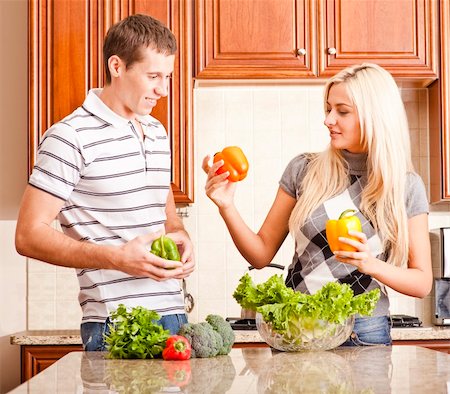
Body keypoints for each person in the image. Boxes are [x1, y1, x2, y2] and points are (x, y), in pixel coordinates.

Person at [202, 63, 432, 346]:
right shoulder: (304, 169)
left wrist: (369, 264)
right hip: (297, 326)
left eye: (342, 111)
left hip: (364, 330)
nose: (328, 120)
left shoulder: (406, 186)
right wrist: (226, 206)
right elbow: (260, 254)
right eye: (328, 109)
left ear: (376, 117)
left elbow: (422, 282)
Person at [15, 14, 195, 350]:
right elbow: (27, 235)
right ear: (117, 66)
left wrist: (181, 236)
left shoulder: (157, 131)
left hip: (175, 317)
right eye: (153, 76)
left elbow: (165, 215)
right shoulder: (70, 137)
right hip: (116, 324)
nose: (164, 89)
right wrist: (118, 258)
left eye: (167, 76)